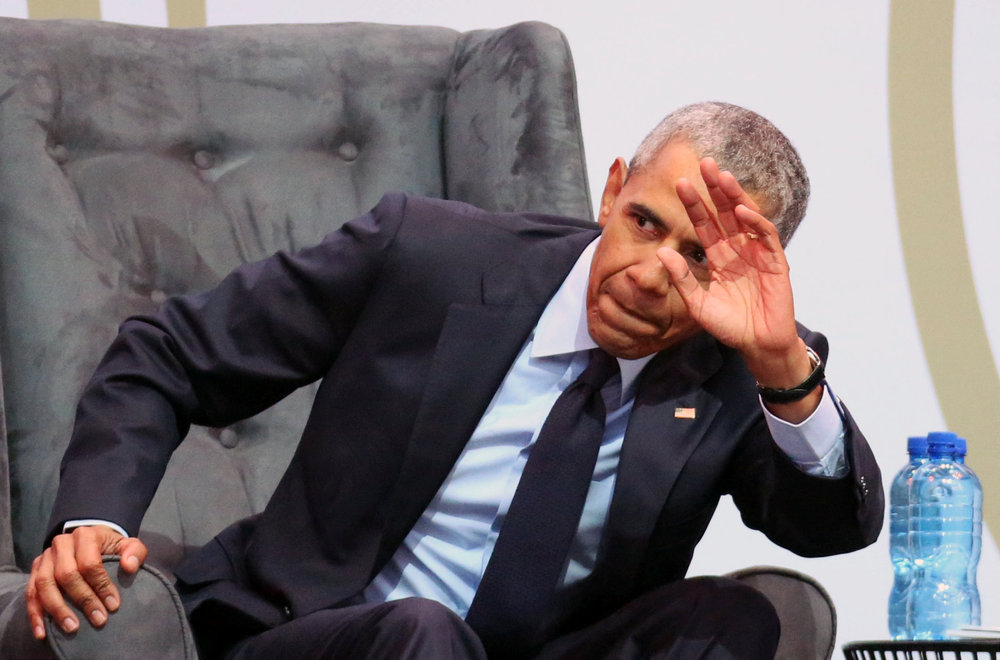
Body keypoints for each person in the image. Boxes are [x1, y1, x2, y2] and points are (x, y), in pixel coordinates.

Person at [25, 101, 883, 659]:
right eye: (644, 224)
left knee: (742, 622)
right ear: (613, 189)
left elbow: (827, 528)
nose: (655, 273)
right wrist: (95, 519)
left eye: (697, 258)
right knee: (423, 636)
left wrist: (783, 369)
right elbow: (169, 353)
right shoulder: (430, 256)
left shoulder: (748, 364)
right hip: (320, 635)